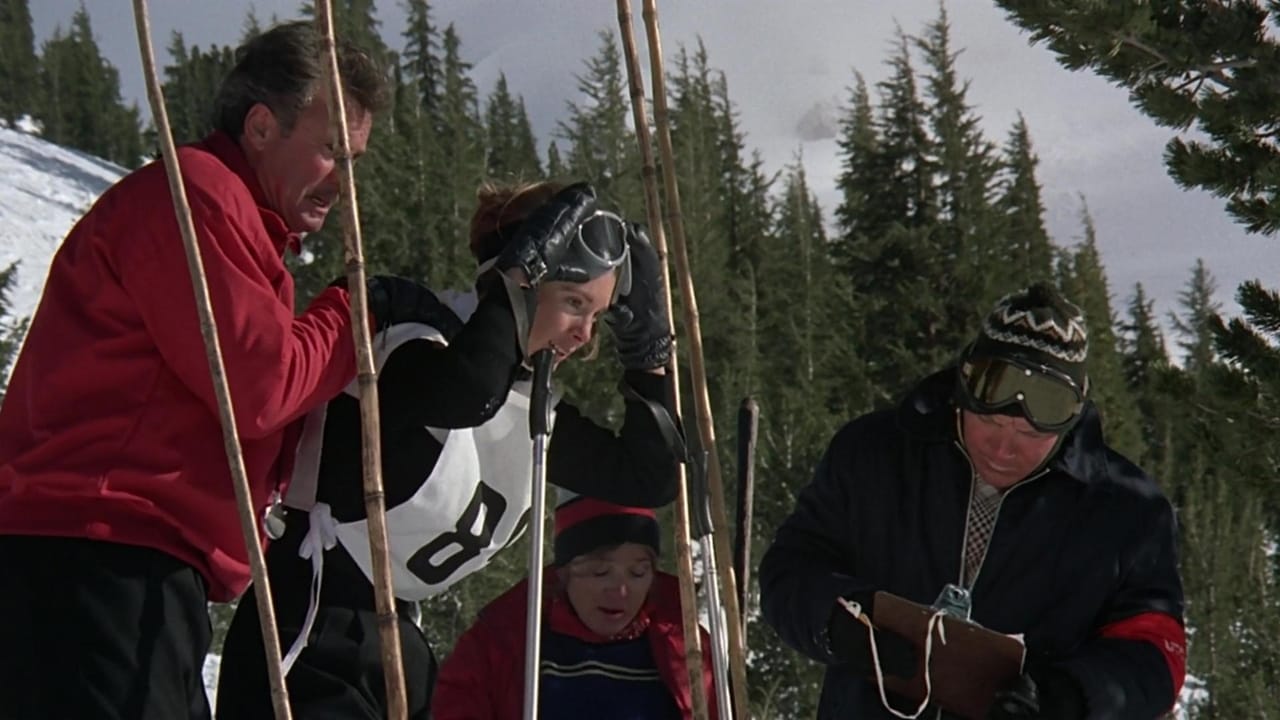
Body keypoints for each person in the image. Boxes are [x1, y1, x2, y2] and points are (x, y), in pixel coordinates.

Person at [215, 180, 683, 720]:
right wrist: (514, 279)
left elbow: (648, 477)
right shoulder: (414, 338)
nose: (583, 334)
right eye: (573, 303)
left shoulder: (526, 404)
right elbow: (465, 393)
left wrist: (648, 354)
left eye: (598, 316)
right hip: (308, 630)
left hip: (394, 647)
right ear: (520, 280)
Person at [759, 283, 1186, 720]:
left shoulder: (1128, 511)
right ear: (961, 391)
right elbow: (791, 568)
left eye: (1031, 435)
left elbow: (1156, 649)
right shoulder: (874, 455)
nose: (1003, 449)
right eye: (989, 421)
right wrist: (837, 622)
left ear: (1071, 421)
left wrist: (1068, 697)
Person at [432, 492, 717, 719]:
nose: (620, 590)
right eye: (600, 572)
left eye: (638, 573)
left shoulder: (685, 646)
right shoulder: (502, 643)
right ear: (564, 573)